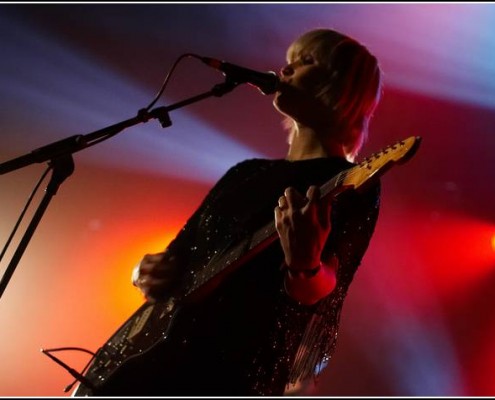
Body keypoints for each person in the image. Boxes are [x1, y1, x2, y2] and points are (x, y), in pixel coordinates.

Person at [102, 28, 382, 396]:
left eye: (307, 61)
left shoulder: (350, 182)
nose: (286, 69)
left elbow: (326, 286)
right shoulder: (244, 173)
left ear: (343, 88)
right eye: (290, 59)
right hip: (155, 359)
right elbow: (173, 256)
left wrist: (305, 262)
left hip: (233, 373)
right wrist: (145, 271)